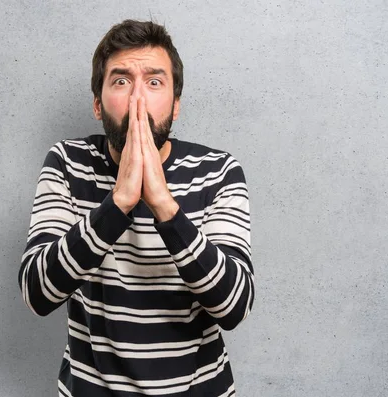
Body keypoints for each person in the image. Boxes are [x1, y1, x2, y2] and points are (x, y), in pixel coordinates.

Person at [18, 19, 254, 397]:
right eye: (121, 81)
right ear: (98, 104)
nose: (137, 100)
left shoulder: (218, 171)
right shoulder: (66, 162)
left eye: (154, 82)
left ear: (175, 106)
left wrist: (162, 203)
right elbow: (37, 293)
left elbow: (234, 306)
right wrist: (118, 203)